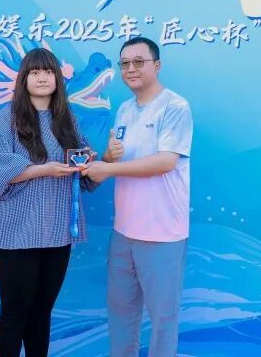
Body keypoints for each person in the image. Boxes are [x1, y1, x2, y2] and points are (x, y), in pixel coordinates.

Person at [0, 48, 99, 357]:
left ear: (58, 79)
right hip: (15, 232)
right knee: (15, 312)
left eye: (48, 72)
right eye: (35, 72)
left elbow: (83, 173)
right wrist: (44, 169)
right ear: (23, 79)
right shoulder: (8, 119)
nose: (42, 78)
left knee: (41, 312)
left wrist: (93, 163)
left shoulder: (67, 121)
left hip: (56, 231)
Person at [82, 37, 193, 357]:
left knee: (162, 319)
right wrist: (108, 158)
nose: (130, 69)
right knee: (120, 314)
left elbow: (165, 162)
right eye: (125, 63)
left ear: (157, 65)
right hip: (124, 232)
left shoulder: (175, 107)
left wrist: (108, 169)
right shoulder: (125, 109)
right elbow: (117, 160)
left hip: (161, 234)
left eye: (139, 62)